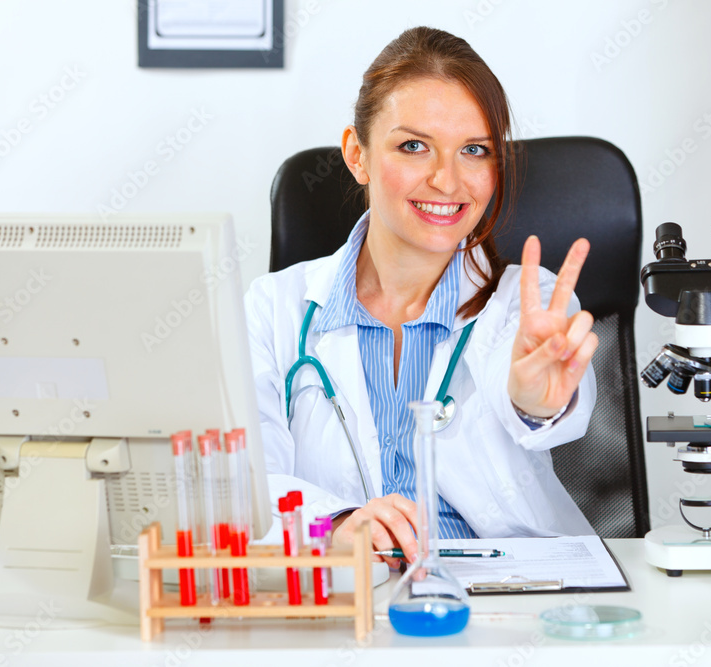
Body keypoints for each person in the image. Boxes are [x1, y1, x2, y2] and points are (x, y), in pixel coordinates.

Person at [246, 27, 598, 568]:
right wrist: (335, 524)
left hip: (508, 597)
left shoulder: (529, 304)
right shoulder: (272, 308)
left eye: (474, 150)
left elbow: (548, 402)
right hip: (350, 593)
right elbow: (247, 483)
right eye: (414, 146)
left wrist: (536, 404)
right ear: (357, 155)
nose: (447, 180)